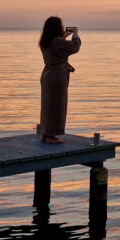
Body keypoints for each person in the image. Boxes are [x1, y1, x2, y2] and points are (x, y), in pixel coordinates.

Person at [38, 16, 81, 144]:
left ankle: (45, 133)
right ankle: (51, 136)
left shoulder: (45, 41)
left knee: (47, 105)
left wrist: (64, 36)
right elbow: (74, 47)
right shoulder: (57, 41)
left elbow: (58, 46)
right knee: (57, 105)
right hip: (57, 76)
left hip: (47, 75)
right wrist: (76, 35)